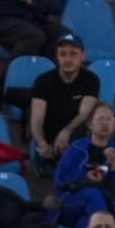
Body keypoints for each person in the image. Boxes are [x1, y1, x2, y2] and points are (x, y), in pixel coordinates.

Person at [25, 33, 99, 180]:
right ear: (57, 56)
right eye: (63, 54)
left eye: (73, 54)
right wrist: (41, 142)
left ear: (82, 56)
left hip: (75, 134)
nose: (68, 59)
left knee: (93, 123)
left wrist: (66, 132)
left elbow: (85, 114)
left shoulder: (91, 80)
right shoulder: (43, 80)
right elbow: (36, 119)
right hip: (50, 134)